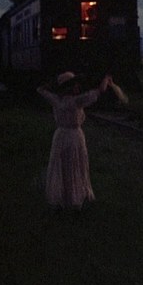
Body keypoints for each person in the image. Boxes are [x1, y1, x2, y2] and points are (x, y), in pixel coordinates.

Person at [37, 71, 112, 210]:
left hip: (60, 136)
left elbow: (40, 89)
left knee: (62, 166)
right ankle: (74, 198)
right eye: (74, 84)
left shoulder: (56, 99)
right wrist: (106, 79)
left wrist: (54, 84)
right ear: (69, 87)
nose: (78, 86)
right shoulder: (77, 101)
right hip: (74, 137)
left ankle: (62, 197)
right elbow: (100, 91)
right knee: (75, 165)